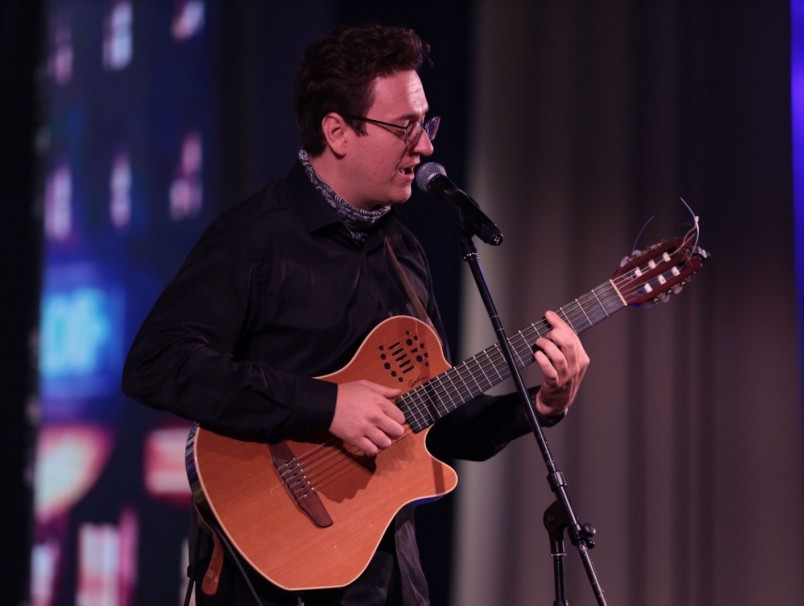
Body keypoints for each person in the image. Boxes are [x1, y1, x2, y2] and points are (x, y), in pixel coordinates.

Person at [121, 23, 590, 606]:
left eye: (427, 125)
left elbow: (438, 422)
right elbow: (157, 363)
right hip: (273, 581)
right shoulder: (255, 238)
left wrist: (541, 405)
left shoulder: (405, 254)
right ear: (337, 131)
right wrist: (327, 406)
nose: (425, 147)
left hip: (391, 583)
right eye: (404, 127)